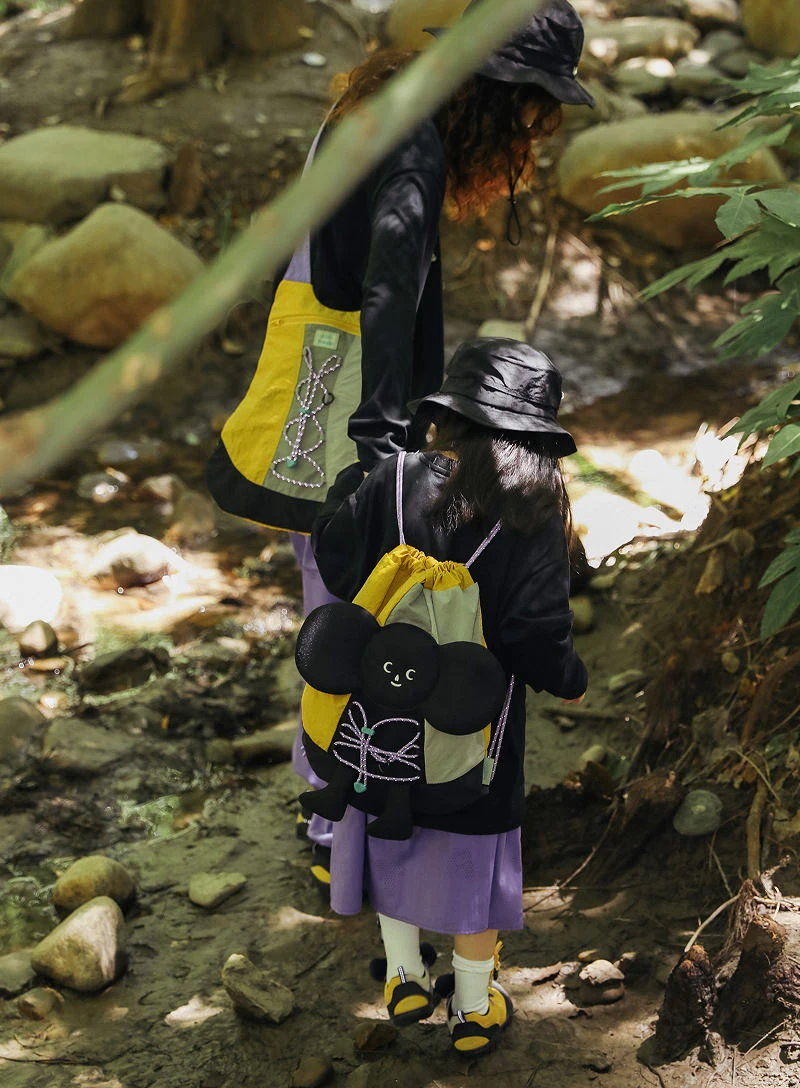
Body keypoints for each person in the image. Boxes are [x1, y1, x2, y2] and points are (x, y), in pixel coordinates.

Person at [205, 0, 594, 886]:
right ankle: (335, 818)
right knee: (351, 605)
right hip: (348, 402)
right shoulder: (413, 151)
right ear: (497, 96)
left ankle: (333, 799)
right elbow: (386, 293)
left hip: (306, 380)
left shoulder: (374, 103)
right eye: (535, 113)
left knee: (335, 592)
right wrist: (382, 449)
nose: (535, 135)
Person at [309, 337, 589, 1055]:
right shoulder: (533, 507)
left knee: (390, 831)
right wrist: (570, 679)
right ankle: (471, 1007)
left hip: (381, 715)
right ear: (536, 437)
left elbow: (336, 561)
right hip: (477, 731)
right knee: (474, 862)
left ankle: (403, 976)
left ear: (449, 416)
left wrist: (350, 490)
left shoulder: (395, 476)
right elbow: (535, 630)